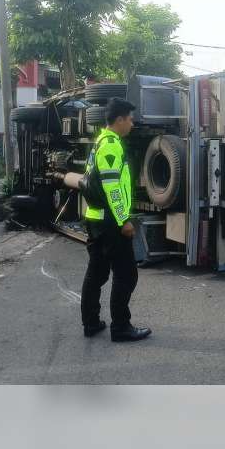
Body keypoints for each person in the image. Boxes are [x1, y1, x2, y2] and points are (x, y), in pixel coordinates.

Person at [81, 97, 152, 342]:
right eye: (130, 120)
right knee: (127, 274)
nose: (131, 124)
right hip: (110, 223)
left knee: (97, 273)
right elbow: (112, 188)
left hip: (96, 218)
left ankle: (91, 323)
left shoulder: (100, 141)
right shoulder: (111, 144)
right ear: (120, 119)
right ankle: (121, 327)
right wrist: (124, 221)